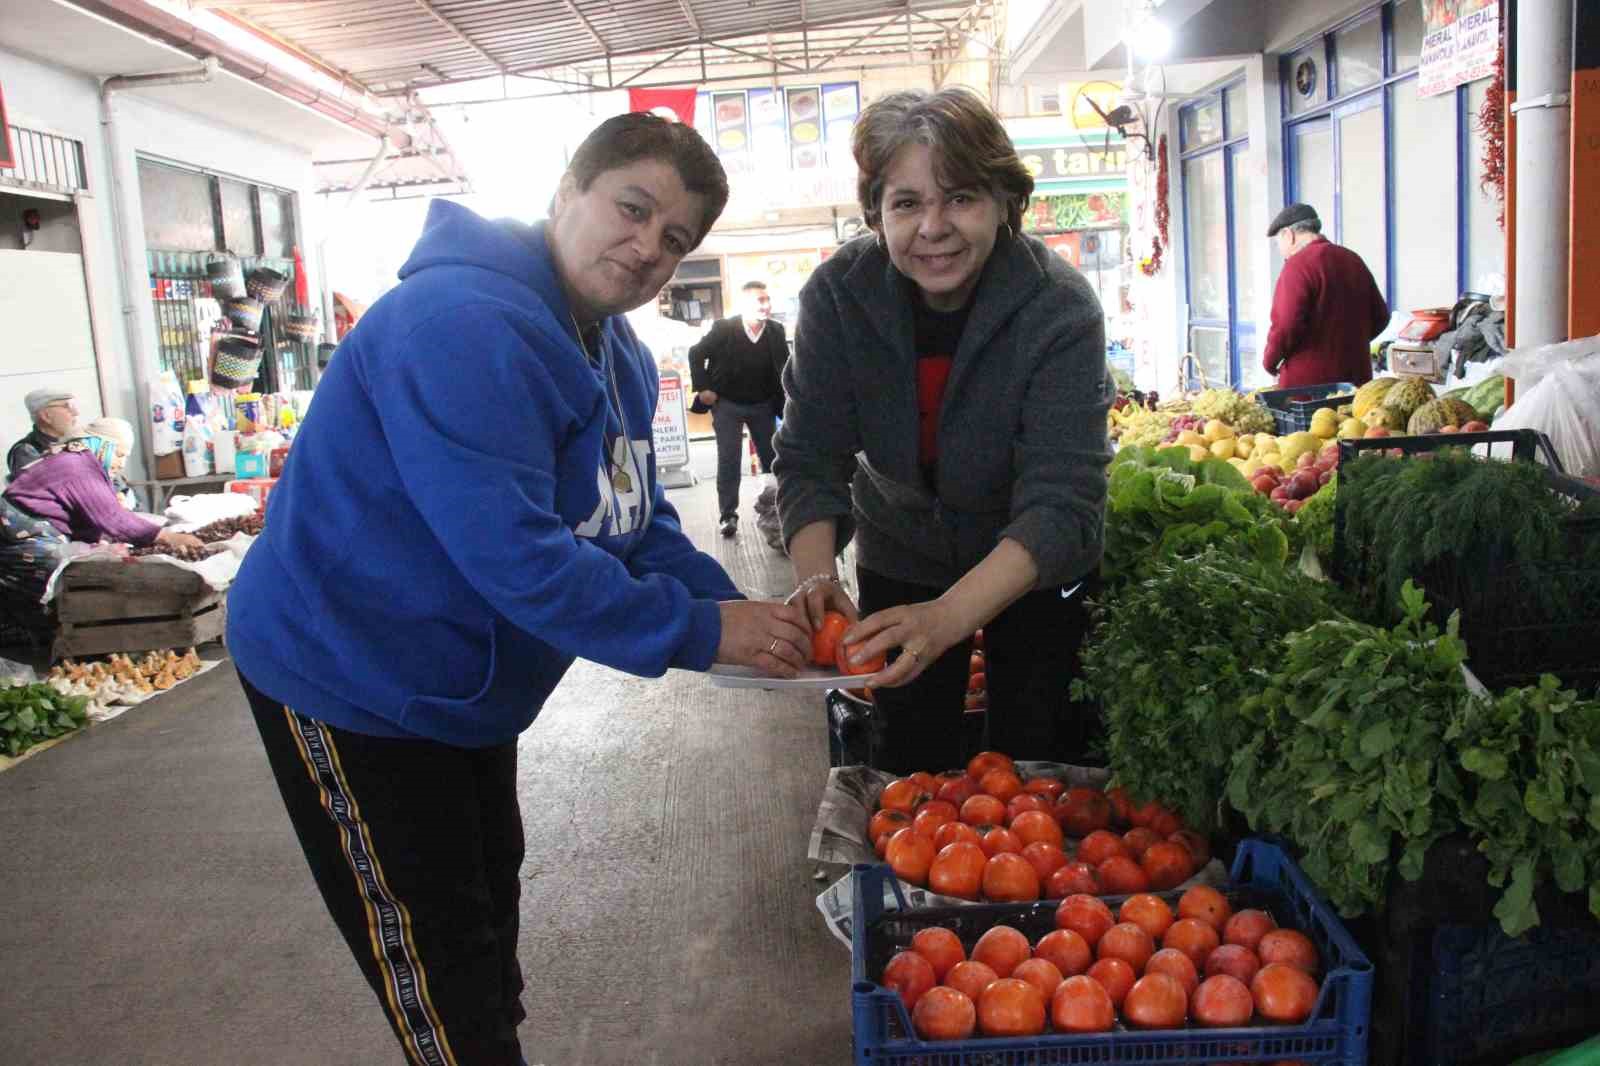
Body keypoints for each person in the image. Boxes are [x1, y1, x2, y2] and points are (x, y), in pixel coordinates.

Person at [224, 112, 812, 1066]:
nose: (646, 249)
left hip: (464, 680)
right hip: (350, 669)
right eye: (632, 209)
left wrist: (755, 618)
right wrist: (704, 633)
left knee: (488, 907)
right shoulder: (457, 324)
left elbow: (634, 521)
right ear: (564, 193)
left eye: (675, 241)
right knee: (435, 958)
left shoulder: (609, 344)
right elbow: (520, 559)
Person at [773, 87, 1114, 776]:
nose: (933, 227)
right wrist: (815, 581)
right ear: (876, 214)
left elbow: (1061, 502)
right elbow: (810, 454)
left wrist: (950, 615)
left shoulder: (1059, 309)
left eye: (960, 197)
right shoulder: (838, 296)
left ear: (1003, 204)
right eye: (906, 203)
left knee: (1035, 761)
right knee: (909, 761)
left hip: (1036, 569)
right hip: (900, 550)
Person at [2, 417, 199, 553]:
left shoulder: (79, 461)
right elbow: (113, 517)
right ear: (103, 446)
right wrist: (167, 537)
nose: (121, 464)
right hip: (22, 547)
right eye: (119, 454)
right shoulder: (77, 465)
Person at [688, 280, 788, 537]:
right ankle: (728, 515)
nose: (765, 305)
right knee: (729, 459)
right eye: (759, 300)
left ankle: (777, 510)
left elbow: (786, 369)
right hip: (727, 404)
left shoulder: (775, 331)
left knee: (773, 459)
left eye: (767, 300)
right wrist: (703, 387)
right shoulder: (725, 328)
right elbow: (696, 353)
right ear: (744, 304)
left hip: (763, 405)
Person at [1261, 203, 1389, 387]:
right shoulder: (1353, 259)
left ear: (1289, 235)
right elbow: (1381, 316)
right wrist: (1349, 343)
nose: (1280, 250)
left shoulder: (1297, 266)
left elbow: (1285, 324)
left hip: (1310, 388)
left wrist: (1270, 362)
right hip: (1357, 381)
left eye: (1278, 243)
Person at [7, 388, 79, 480]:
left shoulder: (74, 443)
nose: (76, 413)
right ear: (46, 416)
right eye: (68, 406)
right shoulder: (26, 451)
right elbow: (43, 488)